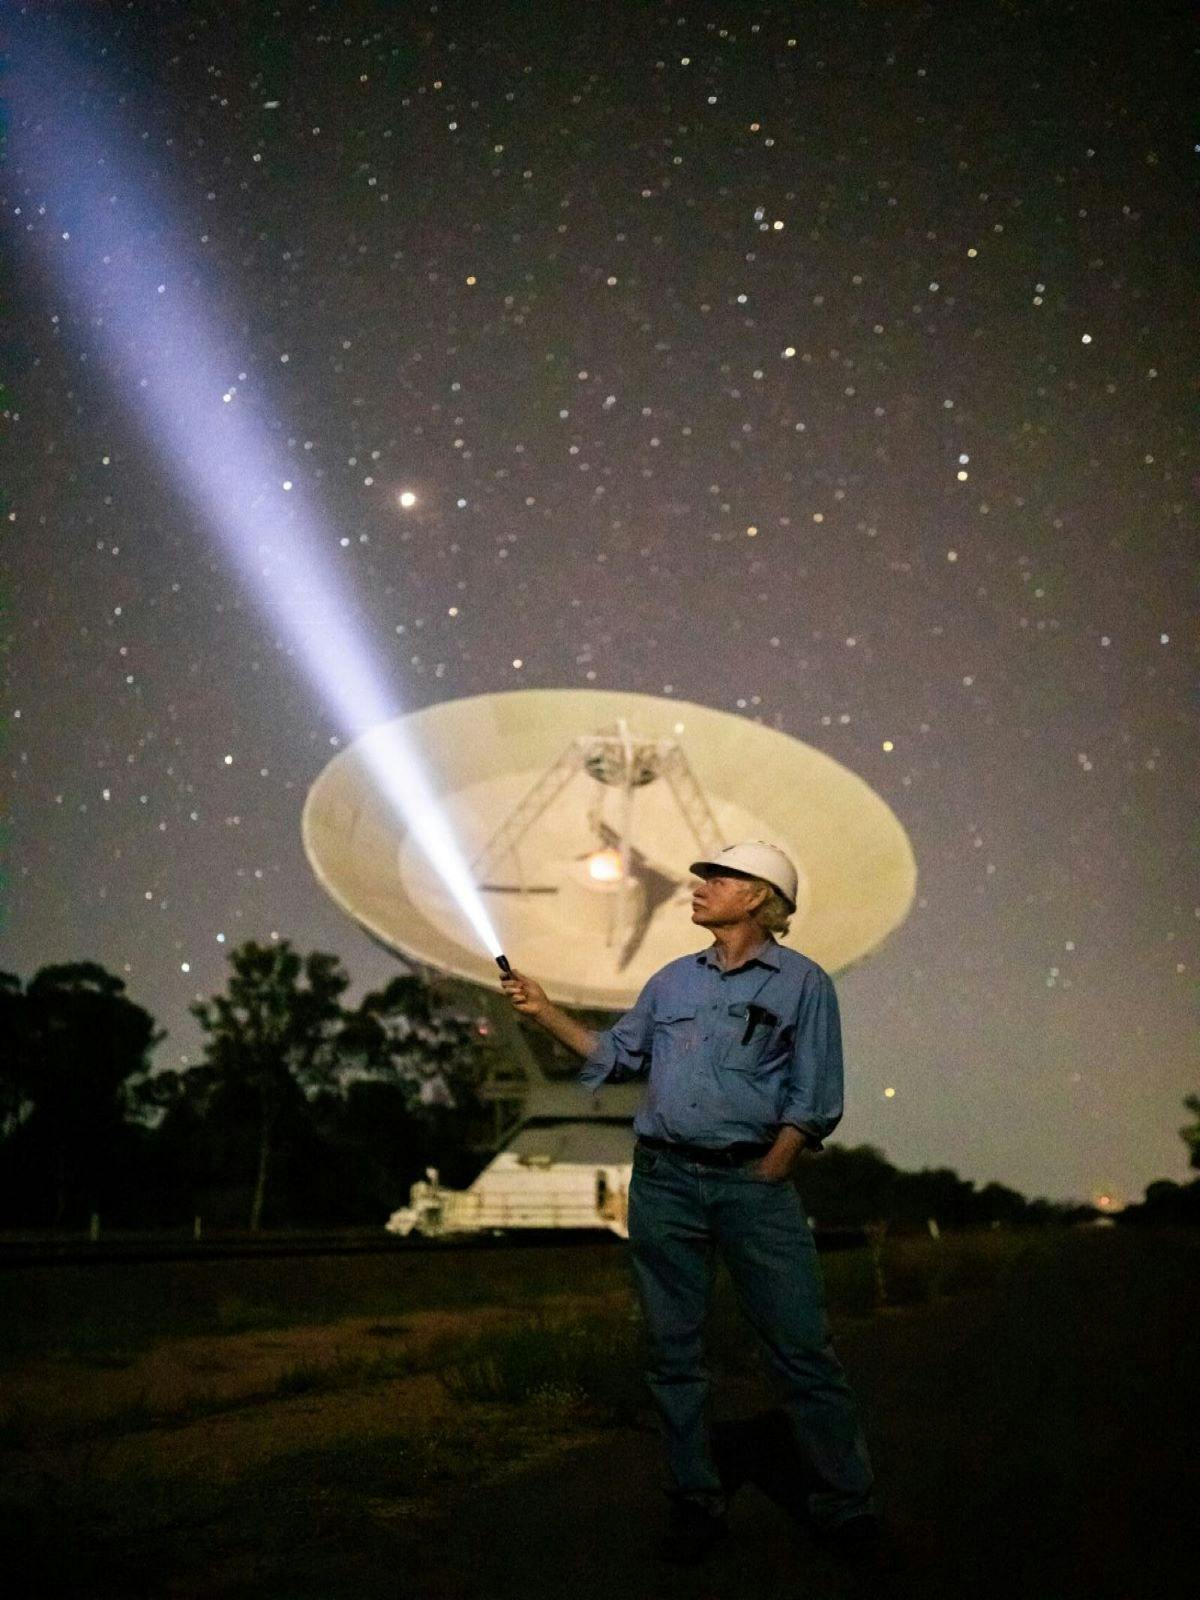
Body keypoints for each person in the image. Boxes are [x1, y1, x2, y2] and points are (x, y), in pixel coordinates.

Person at [501, 840, 878, 1566]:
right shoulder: (672, 983)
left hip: (752, 1187)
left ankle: (847, 1507)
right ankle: (695, 1504)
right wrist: (545, 1011)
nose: (698, 886)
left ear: (760, 898)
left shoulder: (803, 985)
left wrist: (771, 1169)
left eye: (719, 877)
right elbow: (614, 1057)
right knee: (674, 1354)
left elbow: (817, 1095)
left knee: (801, 1351)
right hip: (666, 1183)